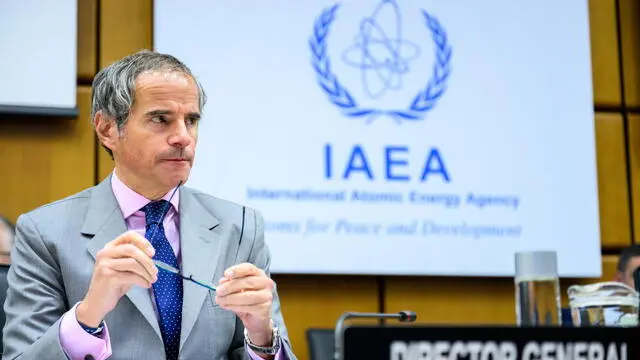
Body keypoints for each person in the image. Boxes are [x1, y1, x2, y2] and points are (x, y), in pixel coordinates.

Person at [2, 50, 296, 360]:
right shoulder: (45, 233)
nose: (183, 137)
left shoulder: (240, 227)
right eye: (161, 119)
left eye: (191, 120)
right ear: (106, 129)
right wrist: (87, 316)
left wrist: (262, 336)